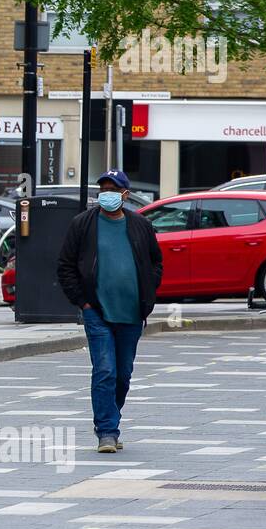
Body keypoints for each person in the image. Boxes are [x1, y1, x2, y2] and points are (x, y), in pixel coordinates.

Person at [56, 169, 163, 453]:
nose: (108, 194)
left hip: (131, 313)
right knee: (104, 370)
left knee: (122, 374)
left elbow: (155, 263)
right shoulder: (83, 224)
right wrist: (84, 302)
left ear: (125, 195)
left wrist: (148, 297)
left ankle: (110, 417)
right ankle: (107, 431)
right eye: (103, 188)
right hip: (97, 312)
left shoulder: (140, 225)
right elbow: (65, 266)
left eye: (113, 190)